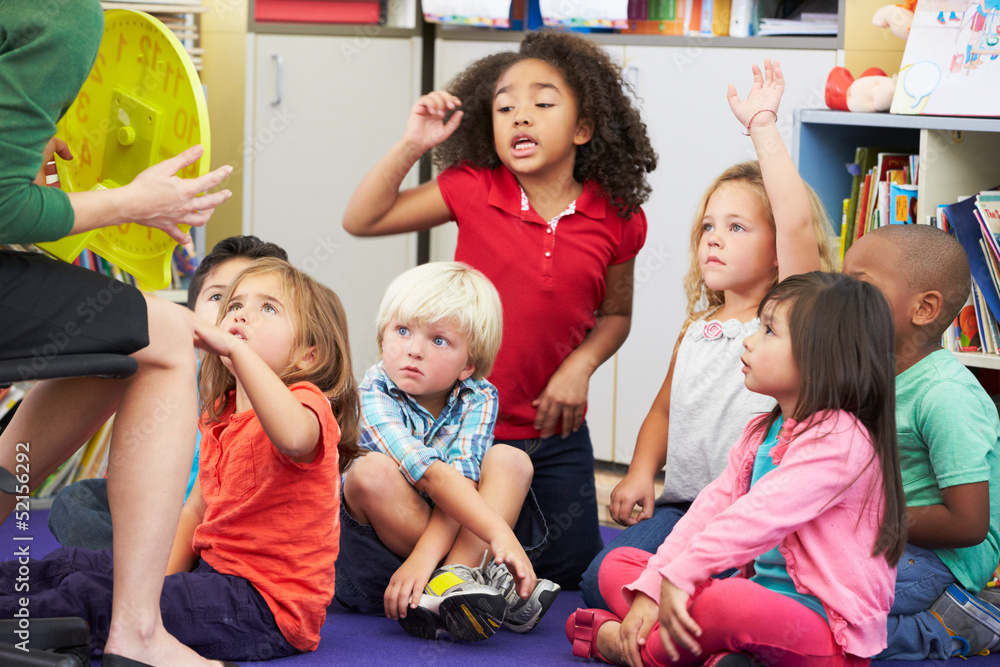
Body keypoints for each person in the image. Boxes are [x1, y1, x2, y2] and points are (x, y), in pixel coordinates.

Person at [342, 31, 658, 589]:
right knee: (466, 535)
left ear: (584, 128)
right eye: (505, 106)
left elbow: (616, 315)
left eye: (542, 103)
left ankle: (471, 573)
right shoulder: (472, 189)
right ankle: (451, 577)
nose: (520, 117)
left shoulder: (619, 218)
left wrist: (579, 366)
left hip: (555, 433)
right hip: (460, 428)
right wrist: (412, 144)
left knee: (572, 576)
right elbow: (362, 219)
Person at [0, 1, 233, 665]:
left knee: (107, 342)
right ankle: (138, 632)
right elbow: (4, 205)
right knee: (161, 333)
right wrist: (135, 201)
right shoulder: (63, 15)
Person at [0, 258, 359, 663]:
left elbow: (294, 438)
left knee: (90, 594)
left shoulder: (307, 404)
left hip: (264, 610)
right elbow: (196, 509)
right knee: (70, 563)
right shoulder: (220, 414)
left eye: (268, 309)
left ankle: (18, 622)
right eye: (235, 306)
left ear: (309, 357)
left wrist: (237, 350)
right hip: (210, 580)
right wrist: (150, 588)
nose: (242, 314)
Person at [579, 60, 838, 609]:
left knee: (730, 590)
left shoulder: (791, 314)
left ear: (776, 253)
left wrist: (762, 126)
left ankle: (700, 612)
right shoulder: (698, 329)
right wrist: (642, 474)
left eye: (737, 227)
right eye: (708, 227)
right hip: (685, 505)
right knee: (599, 577)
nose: (714, 239)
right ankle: (695, 614)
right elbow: (664, 411)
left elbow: (793, 222)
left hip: (760, 514)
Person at [566, 271, 907, 666]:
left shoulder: (841, 439)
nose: (748, 339)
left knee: (725, 601)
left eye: (768, 331)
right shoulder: (761, 431)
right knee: (621, 564)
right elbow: (709, 510)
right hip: (755, 604)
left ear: (821, 356)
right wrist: (656, 588)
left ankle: (621, 646)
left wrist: (683, 577)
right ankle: (720, 654)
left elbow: (759, 514)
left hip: (823, 635)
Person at [336, 262, 560, 642]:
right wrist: (499, 533)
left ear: (467, 365)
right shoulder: (372, 393)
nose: (414, 350)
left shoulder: (479, 394)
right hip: (383, 568)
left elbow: (463, 480)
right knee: (370, 471)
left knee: (511, 459)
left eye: (439, 340)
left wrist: (444, 557)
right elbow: (433, 477)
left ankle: (455, 579)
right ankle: (479, 577)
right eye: (402, 330)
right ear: (382, 336)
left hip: (448, 541)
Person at [46, 236, 288, 551]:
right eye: (220, 298)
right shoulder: (169, 373)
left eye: (263, 305)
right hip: (158, 515)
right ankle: (131, 572)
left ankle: (129, 576)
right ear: (190, 311)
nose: (235, 314)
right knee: (75, 501)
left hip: (227, 526)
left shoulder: (280, 393)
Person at [843, 224, 1000, 659]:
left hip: (943, 558)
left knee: (822, 618)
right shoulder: (868, 375)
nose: (840, 298)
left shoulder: (945, 395)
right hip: (880, 533)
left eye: (858, 287)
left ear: (925, 308)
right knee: (777, 577)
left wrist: (863, 517)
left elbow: (968, 525)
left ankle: (944, 627)